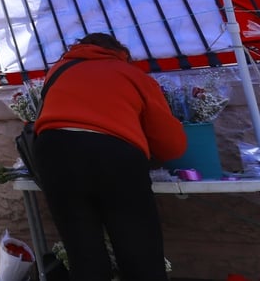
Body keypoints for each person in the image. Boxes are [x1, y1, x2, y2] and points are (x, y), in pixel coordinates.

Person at [33, 33, 187, 281]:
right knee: (139, 251)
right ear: (121, 52)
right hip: (113, 154)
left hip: (54, 152)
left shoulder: (58, 71)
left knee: (84, 254)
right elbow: (172, 146)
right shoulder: (132, 75)